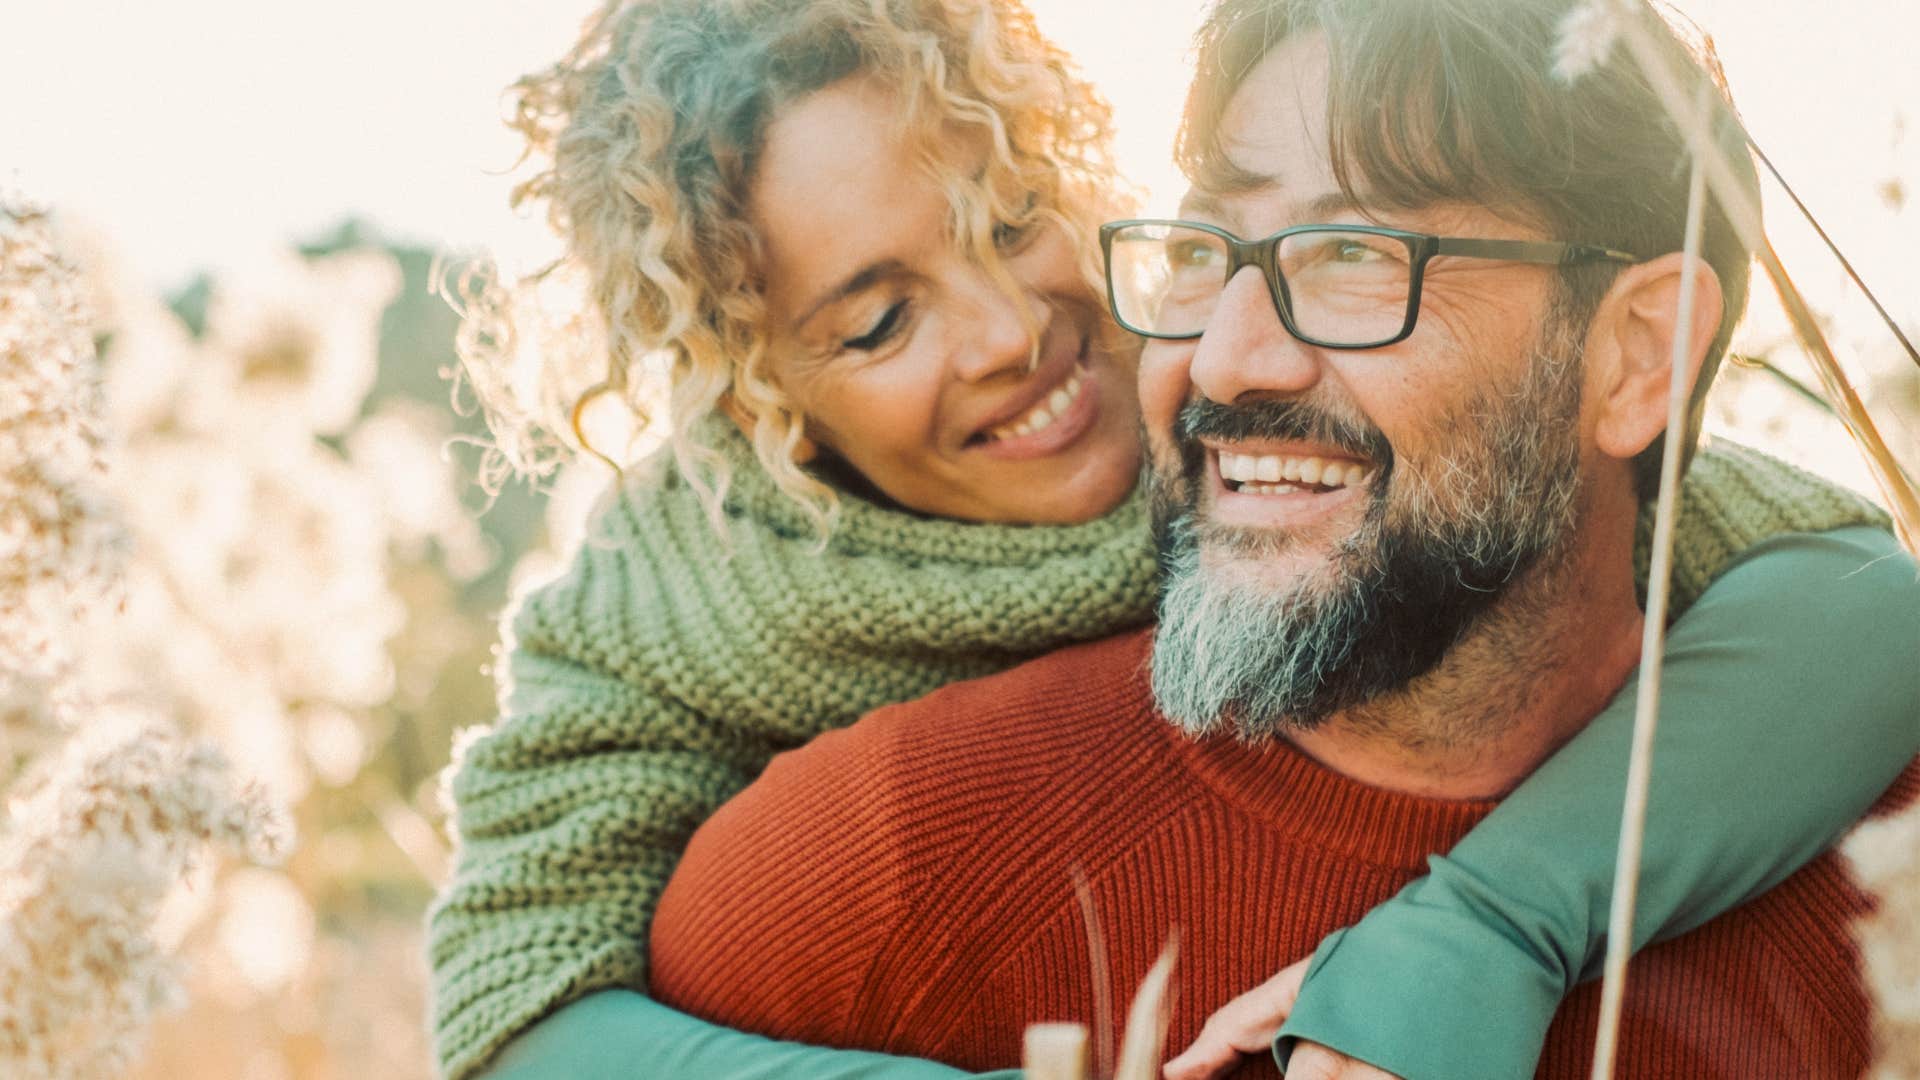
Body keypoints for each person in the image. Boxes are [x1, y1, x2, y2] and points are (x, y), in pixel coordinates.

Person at [428, 1, 1913, 1078]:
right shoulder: (697, 612)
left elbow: (1859, 596)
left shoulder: (1263, 391)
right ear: (763, 405)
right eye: (878, 322)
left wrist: (1489, 921)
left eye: (1014, 217)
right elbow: (519, 1006)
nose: (1011, 333)